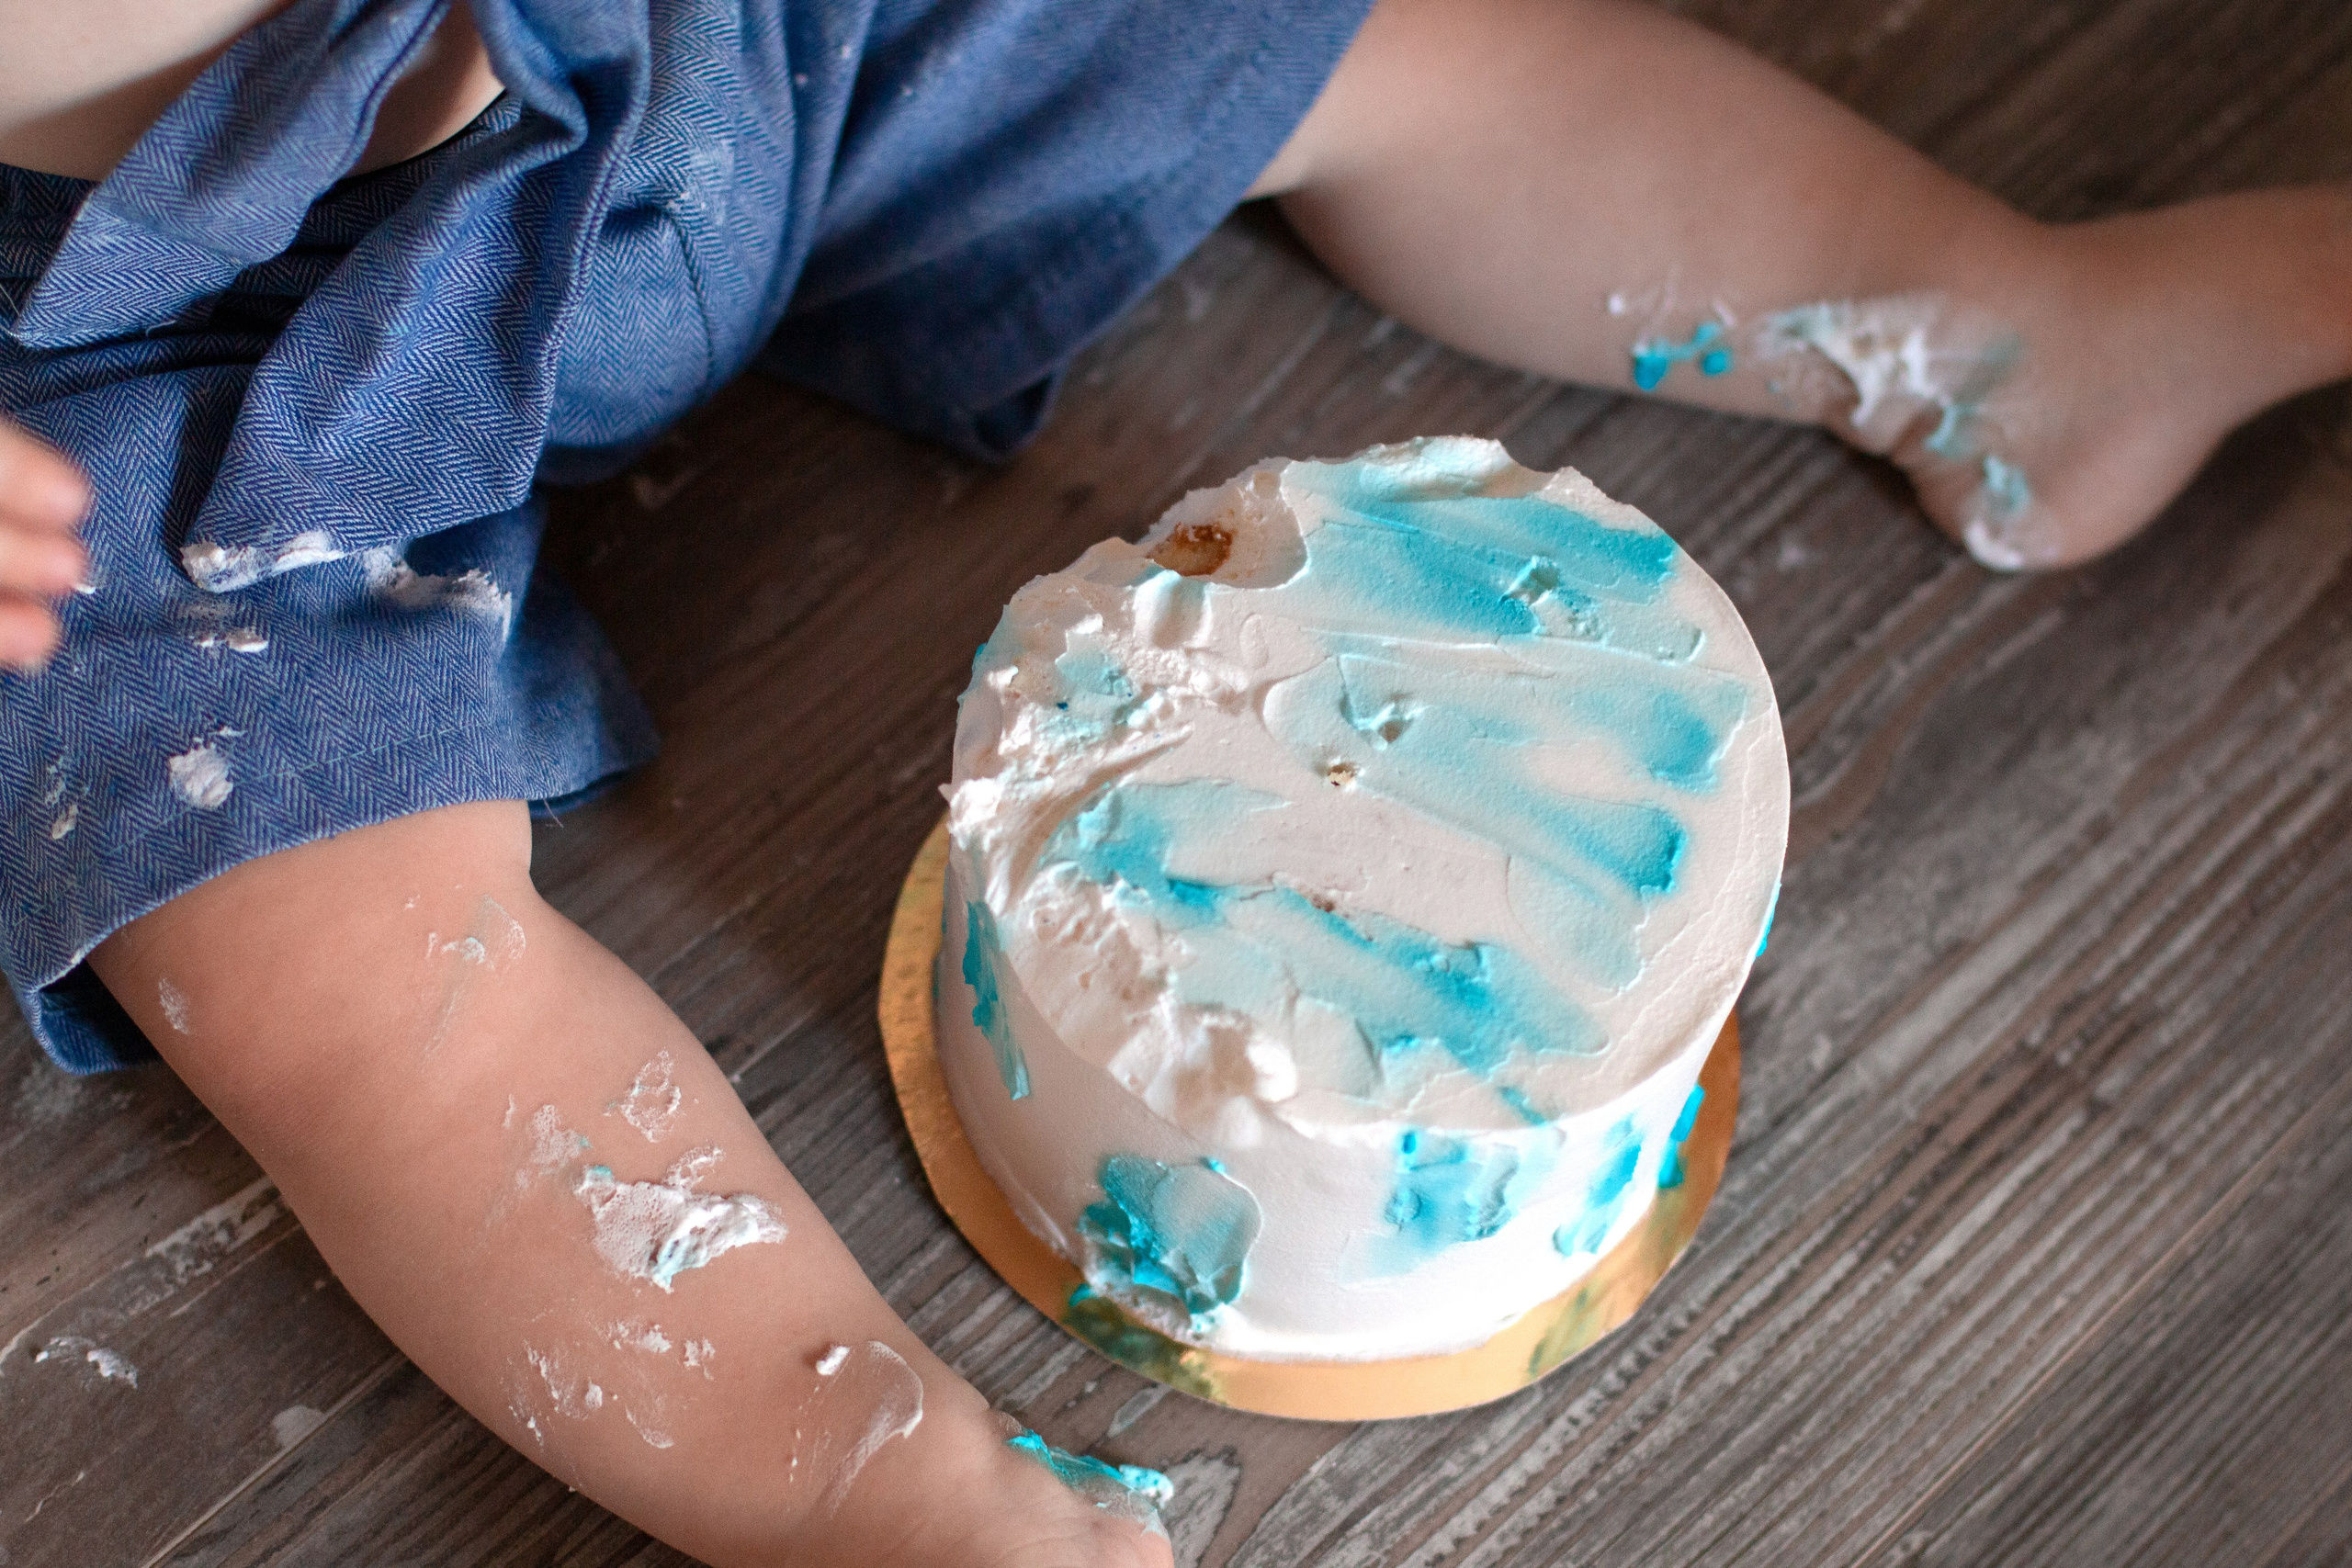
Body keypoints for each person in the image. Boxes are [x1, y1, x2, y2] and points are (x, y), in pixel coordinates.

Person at [2, 0, 2344, 1562]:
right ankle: (874, 1480)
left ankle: (1991, 332)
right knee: (337, 957)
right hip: (141, 375)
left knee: (1359, 36)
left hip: (697, 45)